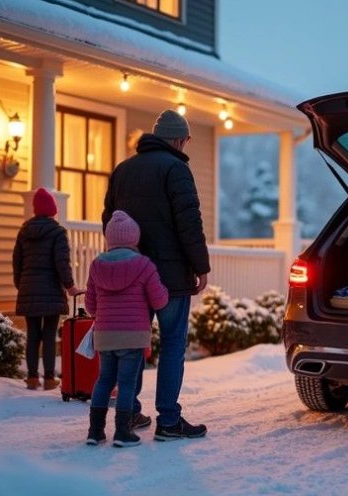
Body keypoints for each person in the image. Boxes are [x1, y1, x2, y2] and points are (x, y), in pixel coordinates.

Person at [102, 108, 211, 441]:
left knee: (135, 343)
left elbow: (109, 220)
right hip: (171, 276)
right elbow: (188, 222)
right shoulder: (176, 169)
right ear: (178, 139)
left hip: (132, 274)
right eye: (187, 140)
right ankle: (168, 421)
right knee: (173, 344)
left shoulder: (122, 170)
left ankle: (129, 412)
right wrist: (200, 266)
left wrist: (120, 259)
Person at [85, 210, 169, 447]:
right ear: (135, 239)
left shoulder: (96, 265)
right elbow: (159, 300)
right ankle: (122, 431)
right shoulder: (144, 265)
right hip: (132, 337)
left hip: (104, 336)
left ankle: (95, 431)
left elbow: (90, 304)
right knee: (127, 383)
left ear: (109, 238)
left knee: (104, 380)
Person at [13, 187, 81, 390]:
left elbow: (17, 262)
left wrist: (22, 285)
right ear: (53, 209)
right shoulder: (57, 232)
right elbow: (62, 262)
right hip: (51, 291)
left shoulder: (24, 231)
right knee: (49, 334)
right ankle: (50, 379)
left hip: (28, 289)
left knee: (33, 334)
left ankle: (32, 377)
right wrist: (69, 286)